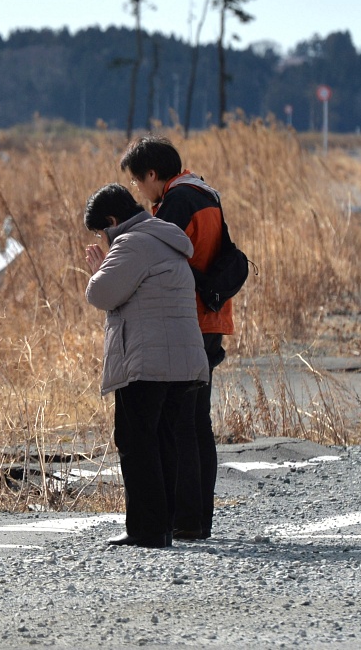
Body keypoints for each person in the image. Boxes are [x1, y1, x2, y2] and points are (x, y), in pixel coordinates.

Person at [83, 183, 209, 549]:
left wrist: (99, 270)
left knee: (136, 441)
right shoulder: (166, 238)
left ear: (111, 220)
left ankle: (146, 529)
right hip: (183, 359)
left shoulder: (131, 242)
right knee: (164, 440)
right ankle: (164, 525)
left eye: (100, 231)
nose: (103, 239)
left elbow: (102, 293)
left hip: (148, 361)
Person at [121, 136, 231, 541]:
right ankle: (197, 519)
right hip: (212, 317)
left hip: (189, 320)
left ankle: (185, 519)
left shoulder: (178, 201)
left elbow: (158, 256)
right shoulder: (205, 190)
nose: (138, 190)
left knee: (181, 424)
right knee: (197, 422)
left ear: (152, 174)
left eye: (137, 181)